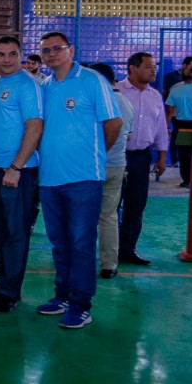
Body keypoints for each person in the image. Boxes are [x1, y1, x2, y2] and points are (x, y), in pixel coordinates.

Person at [36, 31, 123, 330]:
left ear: (70, 49)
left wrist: (95, 157)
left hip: (84, 178)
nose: (51, 54)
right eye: (45, 50)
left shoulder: (91, 80)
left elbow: (114, 123)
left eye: (57, 48)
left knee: (82, 242)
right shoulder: (44, 87)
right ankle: (62, 296)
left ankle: (81, 304)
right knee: (59, 243)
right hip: (49, 179)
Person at [0, 35, 43, 314]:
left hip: (17, 172)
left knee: (15, 233)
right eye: (1, 54)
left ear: (21, 55)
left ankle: (9, 293)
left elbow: (35, 128)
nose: (7, 59)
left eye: (12, 54)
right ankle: (1, 283)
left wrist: (16, 167)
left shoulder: (28, 85)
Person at [115, 51, 168, 270]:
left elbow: (160, 128)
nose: (153, 70)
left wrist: (162, 156)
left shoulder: (154, 95)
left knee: (136, 205)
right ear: (132, 68)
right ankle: (108, 250)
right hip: (117, 156)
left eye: (153, 66)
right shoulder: (116, 91)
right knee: (111, 205)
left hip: (141, 157)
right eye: (148, 66)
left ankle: (128, 249)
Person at [88, 62, 132, 283]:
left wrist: (99, 153)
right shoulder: (125, 101)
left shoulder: (97, 100)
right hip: (117, 165)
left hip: (92, 165)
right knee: (108, 215)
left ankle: (81, 260)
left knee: (82, 216)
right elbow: (129, 135)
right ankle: (109, 264)